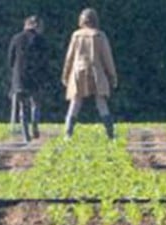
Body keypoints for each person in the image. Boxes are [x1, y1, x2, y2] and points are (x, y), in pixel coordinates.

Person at [62, 8, 119, 140]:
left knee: (75, 101)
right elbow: (107, 58)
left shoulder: (76, 35)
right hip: (96, 71)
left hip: (78, 71)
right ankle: (110, 134)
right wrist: (112, 76)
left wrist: (65, 75)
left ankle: (68, 134)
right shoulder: (100, 35)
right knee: (101, 101)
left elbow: (69, 58)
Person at [8, 16, 52, 143]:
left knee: (23, 106)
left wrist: (14, 73)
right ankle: (35, 125)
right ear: (37, 26)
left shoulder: (16, 38)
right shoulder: (42, 40)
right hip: (36, 77)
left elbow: (10, 59)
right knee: (36, 104)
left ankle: (25, 135)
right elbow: (45, 61)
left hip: (20, 77)